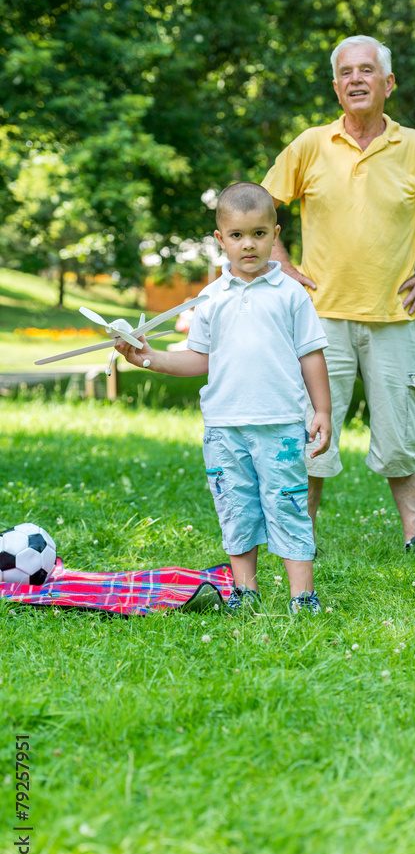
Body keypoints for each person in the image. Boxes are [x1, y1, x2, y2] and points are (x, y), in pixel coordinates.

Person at [262, 35, 415, 559]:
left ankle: (414, 534)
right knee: (312, 432)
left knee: (401, 432)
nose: (356, 79)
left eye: (366, 70)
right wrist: (282, 264)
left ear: (388, 82)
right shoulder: (310, 145)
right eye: (346, 72)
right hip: (318, 320)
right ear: (336, 87)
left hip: (394, 316)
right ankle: (301, 533)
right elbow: (260, 207)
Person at [115, 182, 331, 616]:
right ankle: (244, 592)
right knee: (236, 508)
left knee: (288, 505)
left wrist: (322, 409)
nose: (248, 245)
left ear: (275, 234)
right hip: (224, 427)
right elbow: (199, 359)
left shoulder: (291, 294)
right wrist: (149, 359)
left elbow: (311, 355)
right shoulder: (209, 298)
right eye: (236, 235)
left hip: (280, 425)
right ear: (220, 240)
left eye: (258, 234)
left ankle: (302, 597)